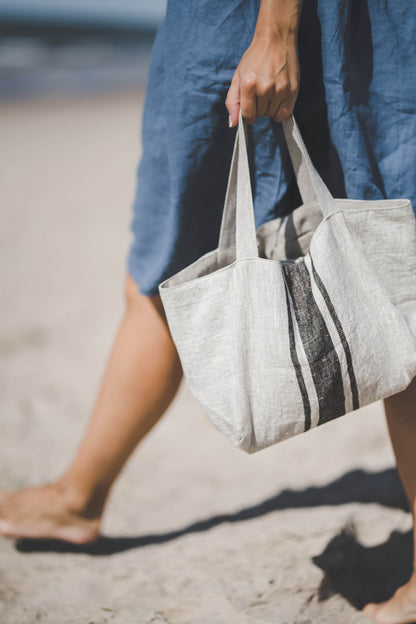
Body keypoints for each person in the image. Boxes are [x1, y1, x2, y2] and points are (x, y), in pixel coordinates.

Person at [0, 1, 415, 622]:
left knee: (391, 260)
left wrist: (275, 28)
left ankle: (77, 496)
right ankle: (78, 494)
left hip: (257, 18)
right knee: (180, 257)